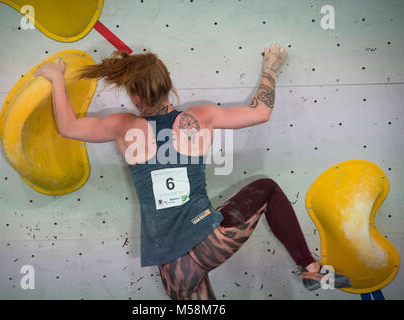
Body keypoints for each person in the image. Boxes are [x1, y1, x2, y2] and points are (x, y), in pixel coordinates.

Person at [36, 43, 351, 300]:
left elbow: (67, 127)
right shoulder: (200, 118)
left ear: (133, 96)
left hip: (172, 267)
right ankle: (310, 267)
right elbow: (261, 112)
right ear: (169, 85)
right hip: (209, 241)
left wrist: (57, 79)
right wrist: (270, 66)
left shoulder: (123, 127)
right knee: (266, 188)